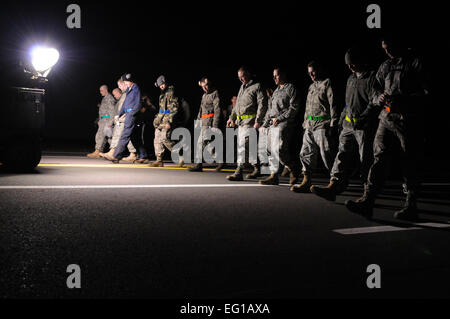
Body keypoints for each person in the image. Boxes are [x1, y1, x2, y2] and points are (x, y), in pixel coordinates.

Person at [345, 36, 429, 221]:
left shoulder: (415, 64)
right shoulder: (385, 66)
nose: (387, 51)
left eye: (390, 47)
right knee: (379, 158)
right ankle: (368, 201)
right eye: (384, 48)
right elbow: (374, 89)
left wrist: (405, 99)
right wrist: (379, 97)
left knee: (410, 162)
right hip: (386, 118)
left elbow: (426, 92)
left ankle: (411, 205)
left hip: (408, 121)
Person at [310, 47, 380, 201]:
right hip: (348, 126)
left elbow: (374, 102)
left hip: (364, 127)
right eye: (348, 64)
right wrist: (341, 120)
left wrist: (364, 117)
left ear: (360, 61)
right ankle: (334, 186)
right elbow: (348, 103)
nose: (350, 67)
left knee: (366, 159)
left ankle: (367, 192)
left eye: (353, 63)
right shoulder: (351, 79)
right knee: (341, 155)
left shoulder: (371, 78)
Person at [291, 61, 339, 193]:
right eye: (309, 73)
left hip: (322, 125)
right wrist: (305, 122)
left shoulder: (327, 83)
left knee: (327, 154)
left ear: (319, 70)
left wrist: (333, 124)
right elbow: (308, 106)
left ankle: (335, 181)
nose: (311, 75)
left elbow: (333, 104)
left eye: (313, 72)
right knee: (305, 153)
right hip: (310, 125)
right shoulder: (312, 86)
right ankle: (307, 180)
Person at [259, 67, 300, 185]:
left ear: (283, 75)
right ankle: (273, 175)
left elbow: (294, 108)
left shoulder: (291, 88)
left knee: (280, 149)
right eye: (273, 76)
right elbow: (270, 110)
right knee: (269, 149)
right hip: (272, 124)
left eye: (276, 75)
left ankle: (293, 168)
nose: (274, 78)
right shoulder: (276, 91)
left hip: (284, 123)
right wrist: (264, 124)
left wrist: (280, 118)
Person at [226, 66, 268, 181]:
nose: (241, 79)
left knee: (243, 147)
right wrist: (231, 118)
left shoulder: (257, 86)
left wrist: (259, 121)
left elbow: (262, 104)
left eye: (243, 76)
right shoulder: (242, 87)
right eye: (239, 77)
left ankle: (238, 172)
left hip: (250, 122)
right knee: (250, 147)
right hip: (241, 123)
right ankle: (257, 168)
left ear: (248, 74)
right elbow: (237, 106)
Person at [104, 73, 142, 163]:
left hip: (131, 115)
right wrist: (120, 114)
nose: (125, 83)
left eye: (126, 82)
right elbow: (125, 104)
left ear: (130, 81)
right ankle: (143, 155)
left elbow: (138, 102)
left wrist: (133, 113)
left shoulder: (135, 88)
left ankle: (116, 156)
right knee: (133, 137)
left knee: (124, 136)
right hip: (127, 115)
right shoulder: (129, 90)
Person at [149, 75, 184, 167]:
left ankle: (180, 157)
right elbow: (161, 109)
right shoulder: (162, 94)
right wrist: (157, 119)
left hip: (167, 120)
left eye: (163, 84)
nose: (161, 86)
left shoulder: (171, 92)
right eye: (160, 85)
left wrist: (169, 121)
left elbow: (174, 109)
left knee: (165, 138)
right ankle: (159, 160)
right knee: (157, 139)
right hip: (160, 121)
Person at [188, 77, 223, 172]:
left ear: (209, 84)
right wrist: (198, 120)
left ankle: (198, 164)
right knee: (209, 145)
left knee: (200, 143)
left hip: (210, 123)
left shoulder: (215, 93)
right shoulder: (204, 96)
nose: (205, 88)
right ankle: (220, 161)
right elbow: (201, 109)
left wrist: (215, 125)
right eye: (203, 86)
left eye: (206, 85)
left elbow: (217, 110)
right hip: (204, 122)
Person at [100, 82, 137, 161]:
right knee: (124, 136)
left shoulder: (129, 93)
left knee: (122, 136)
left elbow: (129, 107)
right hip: (121, 118)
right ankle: (130, 153)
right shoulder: (124, 95)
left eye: (120, 85)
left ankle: (115, 152)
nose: (119, 87)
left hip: (125, 118)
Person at [87, 85, 116, 158]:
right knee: (102, 136)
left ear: (106, 90)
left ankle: (113, 151)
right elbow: (103, 111)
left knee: (107, 137)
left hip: (107, 120)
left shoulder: (109, 98)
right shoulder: (104, 99)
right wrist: (100, 120)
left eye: (101, 90)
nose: (100, 92)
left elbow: (112, 111)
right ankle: (99, 151)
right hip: (103, 120)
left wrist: (110, 122)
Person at [132, 95, 157, 163]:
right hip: (143, 124)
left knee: (143, 140)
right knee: (139, 140)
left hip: (147, 125)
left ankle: (144, 156)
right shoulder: (146, 106)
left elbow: (148, 115)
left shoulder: (151, 107)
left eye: (145, 99)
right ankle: (142, 155)